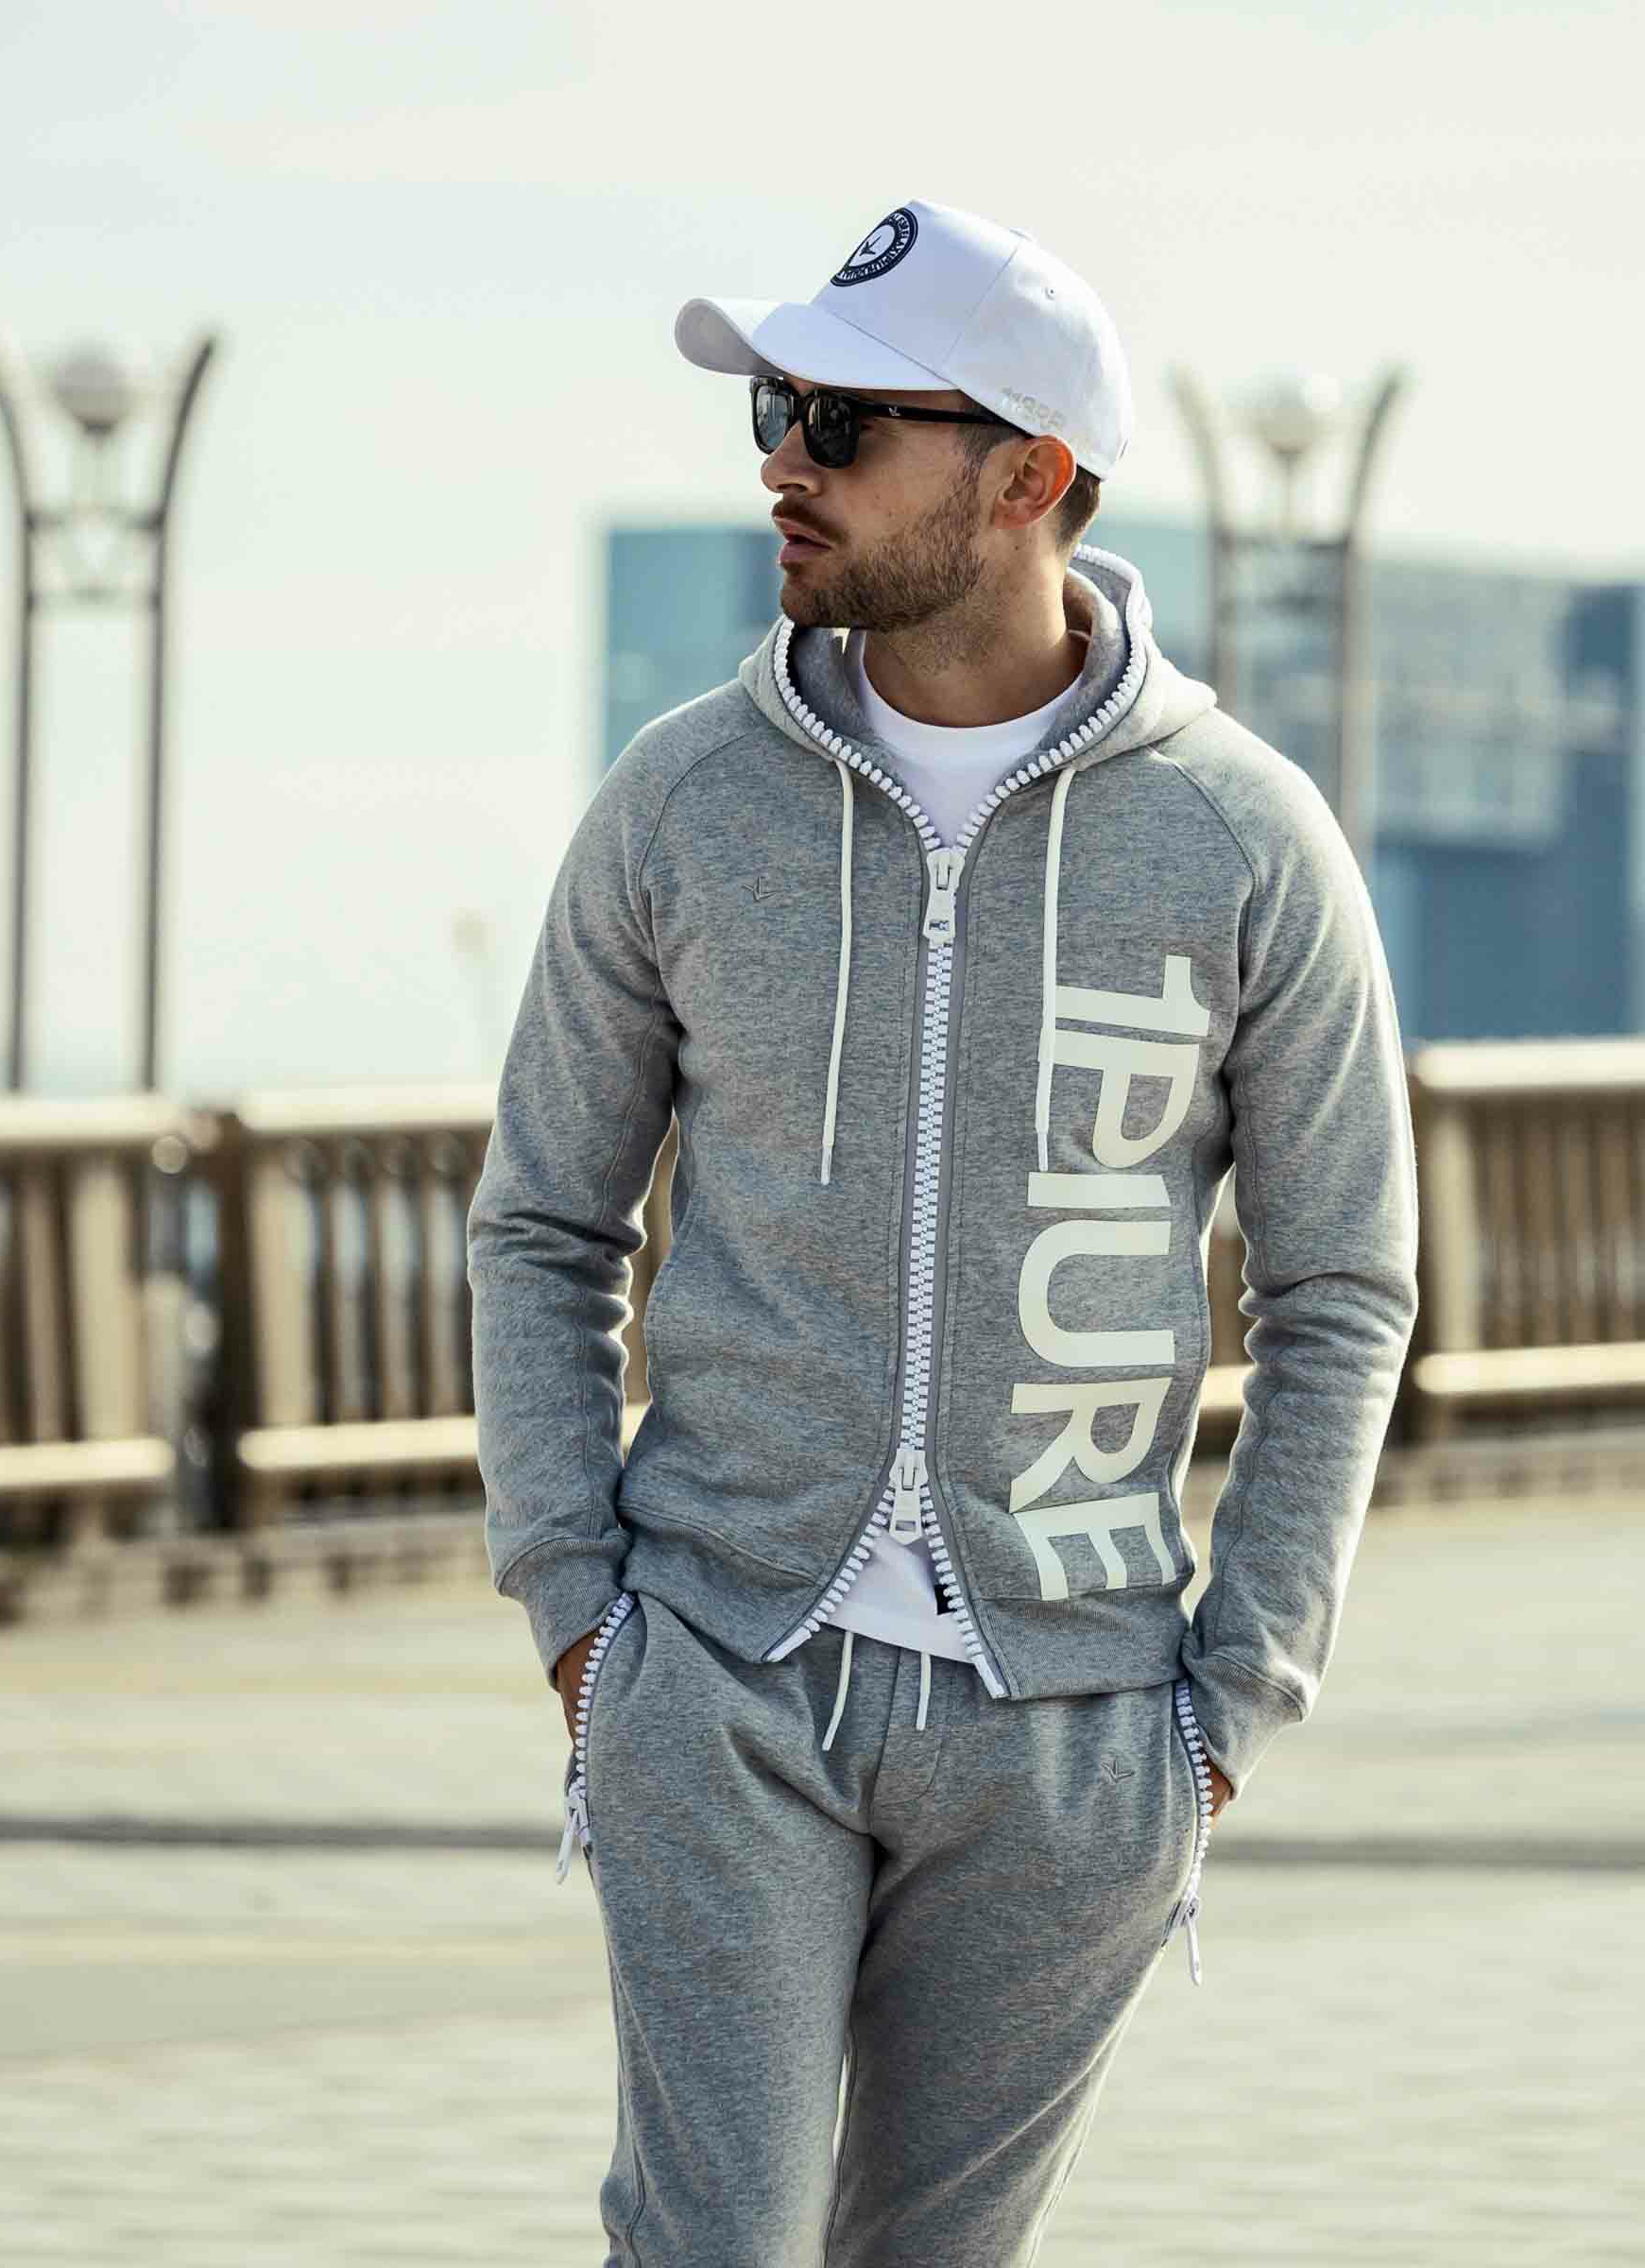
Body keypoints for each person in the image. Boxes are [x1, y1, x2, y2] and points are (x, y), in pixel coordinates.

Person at [466, 198, 1419, 2266]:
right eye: (774, 414)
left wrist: (1226, 1712)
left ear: (1026, 475)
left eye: (840, 421)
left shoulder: (1244, 836)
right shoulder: (682, 801)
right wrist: (583, 1620)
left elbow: (1342, 1288)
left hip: (1073, 1725)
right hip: (721, 1672)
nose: (780, 465)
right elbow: (540, 1221)